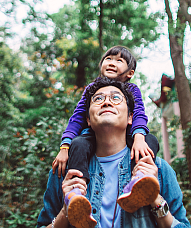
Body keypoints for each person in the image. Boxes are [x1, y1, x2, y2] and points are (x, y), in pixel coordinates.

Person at [37, 77, 191, 228]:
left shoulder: (158, 169)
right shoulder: (65, 172)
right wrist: (66, 211)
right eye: (98, 99)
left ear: (131, 117)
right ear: (88, 120)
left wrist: (154, 198)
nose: (106, 102)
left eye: (116, 98)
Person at [51, 47, 160, 218]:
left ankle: (140, 179)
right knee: (77, 144)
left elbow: (138, 113)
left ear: (130, 73)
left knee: (150, 141)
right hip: (92, 136)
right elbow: (77, 118)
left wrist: (138, 137)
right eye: (108, 58)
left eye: (119, 60)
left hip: (129, 135)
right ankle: (75, 194)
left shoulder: (132, 90)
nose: (112, 62)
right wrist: (65, 147)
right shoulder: (92, 89)